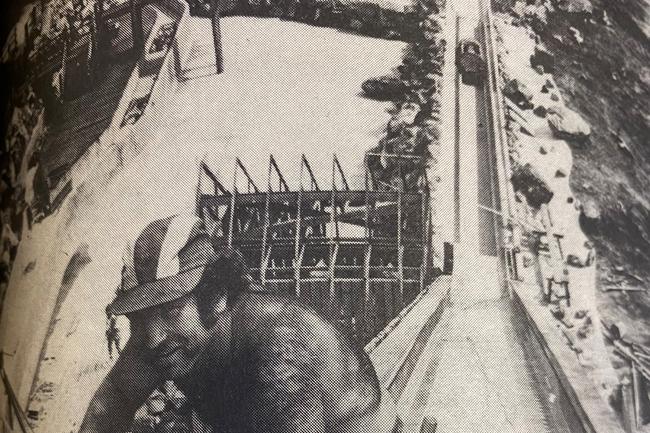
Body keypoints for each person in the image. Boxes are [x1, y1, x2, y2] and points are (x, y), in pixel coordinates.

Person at [79, 214, 399, 433]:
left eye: (172, 310)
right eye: (139, 317)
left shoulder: (279, 352)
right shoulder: (163, 339)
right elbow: (109, 405)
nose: (150, 337)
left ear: (216, 298)